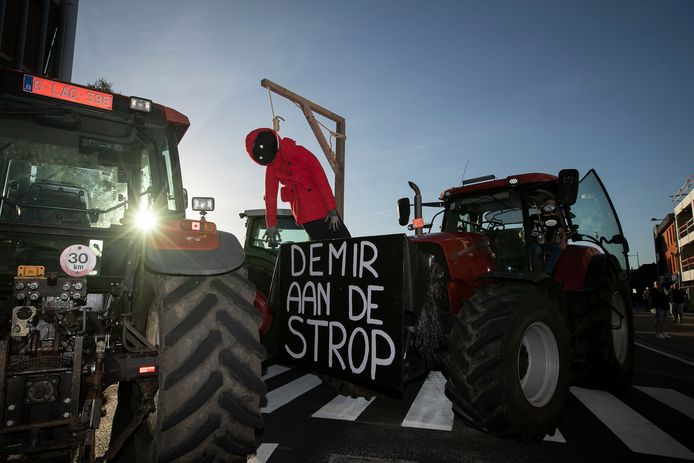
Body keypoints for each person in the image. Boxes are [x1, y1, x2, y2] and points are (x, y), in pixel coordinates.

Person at [245, 128, 350, 245]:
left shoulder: (299, 153)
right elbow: (270, 197)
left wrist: (331, 209)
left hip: (320, 210)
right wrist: (271, 224)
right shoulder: (272, 168)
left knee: (341, 246)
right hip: (310, 213)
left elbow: (320, 178)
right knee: (331, 248)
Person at [529, 197, 567, 273]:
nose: (550, 207)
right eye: (548, 204)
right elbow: (526, 229)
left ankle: (547, 272)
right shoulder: (533, 217)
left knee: (558, 248)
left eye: (553, 205)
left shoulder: (555, 218)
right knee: (536, 250)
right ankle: (531, 271)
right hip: (534, 242)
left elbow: (561, 231)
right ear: (543, 205)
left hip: (547, 243)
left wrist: (563, 241)